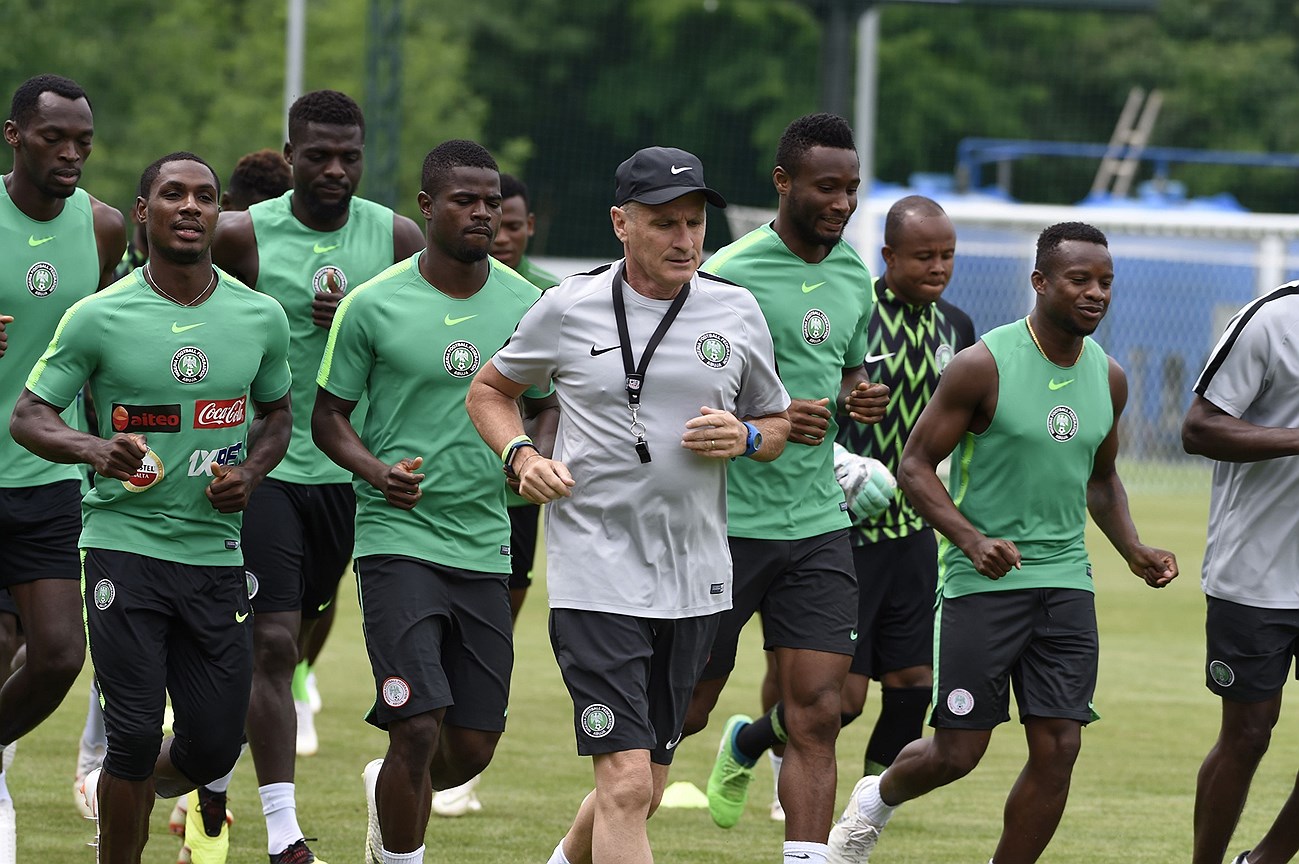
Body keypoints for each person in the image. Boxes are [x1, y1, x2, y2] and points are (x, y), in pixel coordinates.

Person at [465, 145, 791, 864]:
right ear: (621, 222)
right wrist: (520, 454)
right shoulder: (567, 306)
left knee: (643, 784)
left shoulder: (735, 310)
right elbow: (490, 390)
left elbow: (778, 426)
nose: (685, 240)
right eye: (665, 223)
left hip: (694, 576)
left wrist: (743, 435)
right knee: (622, 784)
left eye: (694, 223)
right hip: (595, 573)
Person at [826, 221, 1178, 864]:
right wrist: (970, 540)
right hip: (982, 584)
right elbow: (914, 467)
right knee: (958, 753)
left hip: (1067, 581)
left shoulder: (1111, 378)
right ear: (1041, 282)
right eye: (1080, 280)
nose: (1096, 293)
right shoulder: (981, 365)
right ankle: (876, 798)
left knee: (1060, 747)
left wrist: (1134, 550)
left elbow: (1102, 481)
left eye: (1105, 282)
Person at [10, 151, 291, 864]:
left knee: (213, 745)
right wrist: (92, 449)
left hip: (216, 556)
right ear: (144, 212)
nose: (190, 206)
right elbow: (30, 415)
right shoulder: (97, 318)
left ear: (221, 213)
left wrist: (252, 473)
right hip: (123, 547)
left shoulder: (259, 317)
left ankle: (123, 787)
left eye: (205, 196)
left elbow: (278, 414)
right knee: (133, 732)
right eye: (173, 194)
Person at [313, 139, 552, 864]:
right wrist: (375, 471)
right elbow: (328, 417)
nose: (481, 214)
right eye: (464, 201)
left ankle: (390, 787)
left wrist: (527, 453)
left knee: (471, 747)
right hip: (397, 538)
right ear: (426, 207)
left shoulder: (529, 305)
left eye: (491, 203)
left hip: (485, 540)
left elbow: (545, 404)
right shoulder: (372, 303)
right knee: (415, 725)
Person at [212, 89, 423, 864]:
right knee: (270, 644)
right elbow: (204, 320)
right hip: (264, 465)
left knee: (294, 643)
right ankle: (281, 832)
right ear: (291, 154)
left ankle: (206, 761)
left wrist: (367, 322)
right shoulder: (242, 237)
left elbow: (418, 324)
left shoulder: (395, 235)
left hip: (351, 475)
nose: (335, 169)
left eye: (350, 156)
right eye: (319, 155)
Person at [678, 113, 885, 864]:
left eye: (851, 189)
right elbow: (675, 393)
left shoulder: (854, 274)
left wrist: (862, 396)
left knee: (818, 715)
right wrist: (754, 420)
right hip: (723, 524)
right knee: (687, 706)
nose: (841, 202)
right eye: (826, 187)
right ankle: (593, 834)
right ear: (783, 182)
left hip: (815, 523)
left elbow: (850, 369)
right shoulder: (724, 273)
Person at [736, 194, 974, 824]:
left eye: (947, 255)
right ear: (889, 256)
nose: (938, 267)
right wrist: (846, 459)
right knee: (839, 700)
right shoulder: (855, 305)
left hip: (914, 527)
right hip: (843, 523)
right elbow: (819, 388)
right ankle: (749, 743)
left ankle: (859, 816)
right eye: (924, 255)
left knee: (912, 689)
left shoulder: (959, 328)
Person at [0, 72, 126, 860]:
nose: (72, 153)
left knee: (56, 655)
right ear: (14, 135)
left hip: (51, 475)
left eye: (83, 140)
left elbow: (109, 341)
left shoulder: (105, 226)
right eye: (55, 138)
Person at [430, 172, 561, 821]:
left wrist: (533, 453)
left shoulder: (542, 296)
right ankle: (432, 760)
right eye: (491, 220)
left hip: (514, 504)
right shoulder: (428, 287)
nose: (501, 233)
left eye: (511, 224)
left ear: (528, 227)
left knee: (495, 629)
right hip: (443, 504)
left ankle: (457, 762)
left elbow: (551, 401)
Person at [1181, 284, 1299, 864]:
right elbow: (1198, 428)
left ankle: (1266, 860)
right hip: (1257, 572)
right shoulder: (1273, 320)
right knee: (1249, 733)